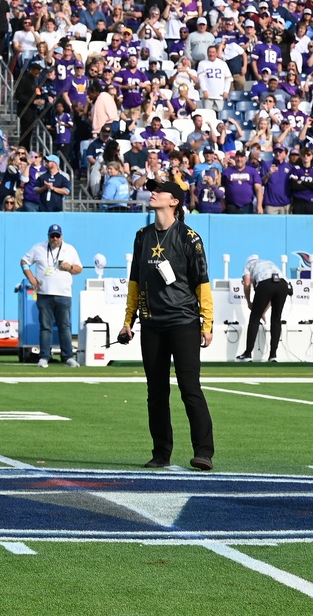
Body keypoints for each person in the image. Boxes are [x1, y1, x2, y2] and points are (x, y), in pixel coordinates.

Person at [118, 181, 214, 471]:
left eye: (159, 191)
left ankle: (204, 452)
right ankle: (161, 453)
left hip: (183, 322)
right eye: (152, 189)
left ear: (174, 202)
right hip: (151, 324)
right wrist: (127, 322)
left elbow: (202, 283)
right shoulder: (142, 236)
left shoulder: (189, 238)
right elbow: (135, 282)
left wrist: (207, 323)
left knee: (190, 388)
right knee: (156, 391)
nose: (153, 193)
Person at [20, 224, 82, 368]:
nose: (55, 238)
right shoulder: (38, 248)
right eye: (52, 236)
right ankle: (44, 357)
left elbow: (79, 268)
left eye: (57, 236)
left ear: (62, 236)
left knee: (64, 326)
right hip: (44, 293)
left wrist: (70, 268)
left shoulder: (70, 249)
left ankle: (68, 357)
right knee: (45, 327)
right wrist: (31, 278)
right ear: (48, 236)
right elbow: (24, 261)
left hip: (64, 294)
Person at [235, 254, 293, 363]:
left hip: (265, 284)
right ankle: (273, 355)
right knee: (276, 319)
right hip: (283, 285)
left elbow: (247, 283)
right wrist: (263, 311)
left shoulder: (249, 265)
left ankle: (247, 354)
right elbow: (272, 294)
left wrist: (248, 302)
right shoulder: (268, 262)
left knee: (254, 318)